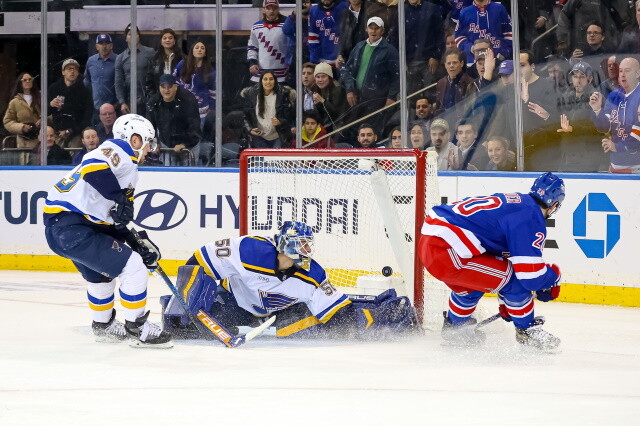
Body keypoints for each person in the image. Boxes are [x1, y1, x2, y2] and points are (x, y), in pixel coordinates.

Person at [160, 221, 417, 340]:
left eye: (309, 245)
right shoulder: (252, 250)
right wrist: (189, 301)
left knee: (323, 328)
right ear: (285, 244)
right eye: (301, 244)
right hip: (235, 304)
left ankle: (382, 312)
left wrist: (370, 322)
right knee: (184, 327)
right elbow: (198, 261)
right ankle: (175, 309)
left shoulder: (312, 275)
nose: (307, 250)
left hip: (280, 314)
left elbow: (340, 316)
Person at [43, 114, 172, 347]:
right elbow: (91, 168)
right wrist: (119, 198)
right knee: (133, 267)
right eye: (147, 142)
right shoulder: (119, 150)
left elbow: (112, 218)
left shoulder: (125, 169)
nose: (149, 149)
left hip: (66, 229)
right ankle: (138, 327)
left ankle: (104, 326)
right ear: (134, 139)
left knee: (100, 276)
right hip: (73, 228)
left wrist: (134, 242)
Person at [419, 172, 566, 351]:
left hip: (433, 244)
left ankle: (456, 329)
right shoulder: (531, 218)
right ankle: (527, 332)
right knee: (514, 282)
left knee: (475, 282)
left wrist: (507, 304)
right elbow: (529, 276)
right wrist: (554, 276)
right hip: (448, 251)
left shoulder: (517, 202)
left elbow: (498, 262)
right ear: (555, 204)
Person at [341, 17, 400, 136]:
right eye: (371, 28)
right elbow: (347, 70)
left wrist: (391, 97)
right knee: (355, 132)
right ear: (366, 29)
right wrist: (349, 90)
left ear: (382, 30)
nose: (373, 31)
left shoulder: (390, 50)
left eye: (377, 28)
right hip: (357, 99)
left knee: (372, 132)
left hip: (377, 101)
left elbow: (397, 77)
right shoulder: (359, 47)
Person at [590, 57, 640, 173]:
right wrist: (597, 110)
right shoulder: (614, 96)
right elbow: (604, 127)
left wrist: (618, 147)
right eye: (621, 71)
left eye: (627, 71)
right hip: (615, 165)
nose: (622, 75)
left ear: (637, 73)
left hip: (637, 168)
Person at [556, 62, 604, 172]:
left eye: (582, 77)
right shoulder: (566, 97)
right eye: (575, 76)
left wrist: (573, 129)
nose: (578, 80)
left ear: (590, 79)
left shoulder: (596, 98)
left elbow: (599, 128)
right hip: (567, 155)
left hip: (588, 156)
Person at [389, 0, 444, 95]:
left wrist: (436, 56)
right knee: (412, 98)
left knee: (431, 95)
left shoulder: (432, 8)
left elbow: (440, 34)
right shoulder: (401, 11)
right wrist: (401, 60)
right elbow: (394, 38)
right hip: (409, 63)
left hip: (429, 62)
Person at [145, 74, 202, 166]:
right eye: (163, 87)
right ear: (159, 88)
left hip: (190, 145)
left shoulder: (188, 100)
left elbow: (194, 126)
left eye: (170, 87)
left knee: (189, 175)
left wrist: (184, 144)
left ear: (176, 86)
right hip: (167, 143)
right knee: (168, 175)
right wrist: (153, 145)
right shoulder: (153, 102)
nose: (166, 90)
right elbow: (150, 126)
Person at [174, 40, 216, 163]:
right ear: (192, 50)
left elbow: (214, 92)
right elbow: (174, 82)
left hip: (200, 111)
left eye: (202, 48)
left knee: (194, 139)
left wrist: (211, 108)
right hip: (181, 109)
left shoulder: (210, 71)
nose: (199, 49)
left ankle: (195, 164)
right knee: (179, 137)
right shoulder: (182, 64)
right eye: (197, 47)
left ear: (205, 52)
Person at [557, 0, 631, 56]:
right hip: (581, 46)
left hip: (607, 47)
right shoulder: (576, 2)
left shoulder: (614, 2)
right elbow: (564, 16)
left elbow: (623, 21)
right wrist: (563, 40)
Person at [48, 58, 93, 149]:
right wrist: (50, 104)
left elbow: (87, 115)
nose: (72, 71)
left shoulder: (84, 91)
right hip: (57, 133)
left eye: (75, 69)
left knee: (74, 155)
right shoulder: (54, 88)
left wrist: (70, 130)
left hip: (76, 133)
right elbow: (45, 112)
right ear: (63, 72)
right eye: (69, 69)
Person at [243, 71, 294, 148]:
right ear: (261, 81)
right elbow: (245, 116)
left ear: (275, 81)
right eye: (265, 79)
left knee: (275, 159)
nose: (268, 82)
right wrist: (250, 129)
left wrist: (280, 121)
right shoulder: (251, 94)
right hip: (259, 137)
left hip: (278, 136)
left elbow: (289, 117)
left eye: (271, 79)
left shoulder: (283, 93)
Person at [454, 0, 512, 67]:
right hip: (473, 62)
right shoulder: (465, 12)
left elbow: (509, 33)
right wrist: (471, 48)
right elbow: (458, 36)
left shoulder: (499, 9)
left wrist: (503, 53)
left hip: (496, 60)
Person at [115, 24, 155, 116]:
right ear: (126, 38)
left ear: (139, 37)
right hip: (129, 103)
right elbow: (118, 82)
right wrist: (122, 102)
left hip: (148, 100)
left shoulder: (150, 53)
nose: (132, 36)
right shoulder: (120, 58)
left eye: (135, 34)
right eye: (130, 34)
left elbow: (156, 76)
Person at [3, 72, 41, 165]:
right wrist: (21, 127)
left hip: (40, 138)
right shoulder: (14, 102)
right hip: (25, 140)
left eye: (30, 79)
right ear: (20, 83)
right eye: (25, 80)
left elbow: (50, 115)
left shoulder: (40, 98)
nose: (28, 81)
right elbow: (7, 121)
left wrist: (44, 120)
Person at [247, 0, 288, 83]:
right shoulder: (256, 27)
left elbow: (292, 47)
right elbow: (252, 47)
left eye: (274, 8)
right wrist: (252, 62)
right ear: (263, 9)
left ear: (278, 9)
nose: (271, 11)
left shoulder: (286, 26)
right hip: (261, 75)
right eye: (268, 8)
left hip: (282, 74)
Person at [434, 48, 476, 124]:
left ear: (462, 63)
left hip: (463, 125)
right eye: (449, 63)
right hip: (444, 126)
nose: (451, 66)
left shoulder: (470, 82)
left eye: (455, 63)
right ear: (445, 65)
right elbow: (438, 107)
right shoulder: (441, 83)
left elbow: (472, 109)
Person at [83, 34, 118, 120]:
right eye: (101, 43)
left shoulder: (118, 60)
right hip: (97, 107)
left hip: (114, 107)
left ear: (111, 46)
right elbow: (87, 81)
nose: (104, 46)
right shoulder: (91, 61)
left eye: (106, 43)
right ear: (96, 46)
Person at [309, 0, 349, 66]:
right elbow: (313, 37)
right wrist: (314, 61)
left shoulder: (345, 6)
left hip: (341, 59)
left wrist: (344, 55)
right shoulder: (314, 10)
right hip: (322, 62)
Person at [145, 28, 183, 99]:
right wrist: (154, 97)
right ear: (161, 42)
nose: (167, 40)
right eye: (164, 38)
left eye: (170, 38)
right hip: (159, 97)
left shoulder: (182, 59)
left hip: (179, 97)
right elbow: (149, 81)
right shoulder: (154, 59)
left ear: (174, 41)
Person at [310, 62, 347, 132]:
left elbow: (337, 114)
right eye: (318, 77)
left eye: (323, 76)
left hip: (340, 124)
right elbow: (320, 114)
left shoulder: (337, 89)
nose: (320, 80)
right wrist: (317, 104)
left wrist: (323, 101)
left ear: (329, 77)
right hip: (325, 123)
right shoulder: (315, 87)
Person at [282, 0, 311, 86]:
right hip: (295, 63)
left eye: (306, 2)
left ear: (311, 4)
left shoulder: (315, 18)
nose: (304, 5)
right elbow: (286, 30)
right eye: (301, 3)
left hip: (311, 61)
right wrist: (295, 13)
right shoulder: (293, 19)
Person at [337, 0, 369, 69]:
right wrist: (340, 54)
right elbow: (342, 37)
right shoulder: (344, 13)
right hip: (349, 58)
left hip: (367, 56)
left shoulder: (370, 11)